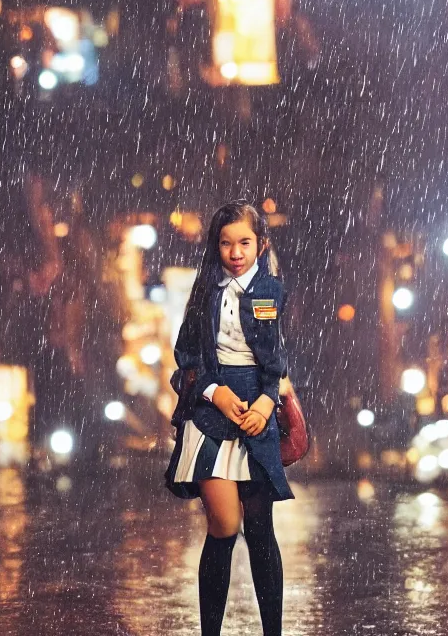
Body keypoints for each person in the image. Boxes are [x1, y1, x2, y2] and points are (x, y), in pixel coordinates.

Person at [165, 200, 294, 636]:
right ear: (215, 245)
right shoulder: (205, 291)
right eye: (226, 243)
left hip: (257, 414)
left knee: (261, 532)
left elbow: (275, 357)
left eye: (244, 242)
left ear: (261, 244)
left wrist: (265, 401)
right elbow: (185, 355)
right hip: (210, 413)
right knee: (223, 524)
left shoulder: (271, 290)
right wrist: (214, 392)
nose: (235, 252)